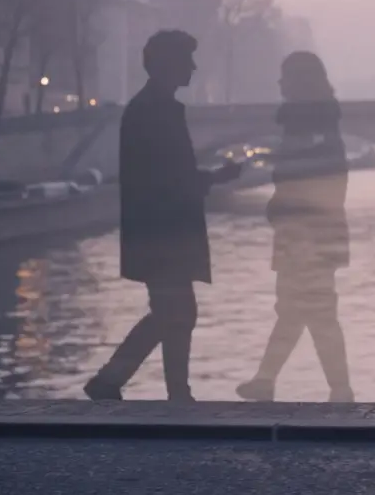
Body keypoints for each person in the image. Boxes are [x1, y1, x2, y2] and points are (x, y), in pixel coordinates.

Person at [84, 30, 241, 402]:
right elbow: (171, 177)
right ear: (169, 63)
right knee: (176, 311)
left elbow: (167, 174)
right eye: (187, 59)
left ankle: (165, 390)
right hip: (164, 235)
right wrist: (215, 177)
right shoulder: (156, 111)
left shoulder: (150, 108)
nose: (193, 66)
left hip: (157, 233)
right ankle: (117, 382)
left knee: (174, 311)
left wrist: (207, 178)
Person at [235, 51, 354, 402]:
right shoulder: (321, 125)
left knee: (312, 310)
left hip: (305, 236)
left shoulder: (306, 125)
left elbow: (300, 181)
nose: (280, 83)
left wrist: (280, 207)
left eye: (285, 76)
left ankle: (338, 389)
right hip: (315, 233)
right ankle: (268, 380)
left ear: (299, 82)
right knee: (299, 308)